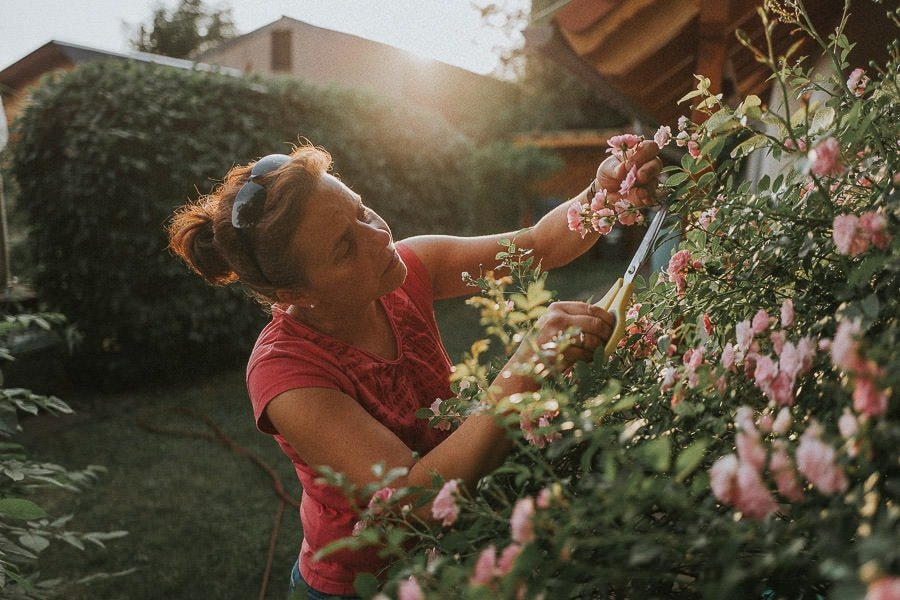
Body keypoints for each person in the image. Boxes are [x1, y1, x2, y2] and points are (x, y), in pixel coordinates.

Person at [167, 138, 661, 599]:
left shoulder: (408, 269)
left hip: (458, 545)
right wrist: (527, 366)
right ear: (295, 295)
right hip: (365, 582)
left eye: (361, 209)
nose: (378, 236)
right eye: (344, 246)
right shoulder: (286, 375)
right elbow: (413, 499)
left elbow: (538, 244)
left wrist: (604, 192)